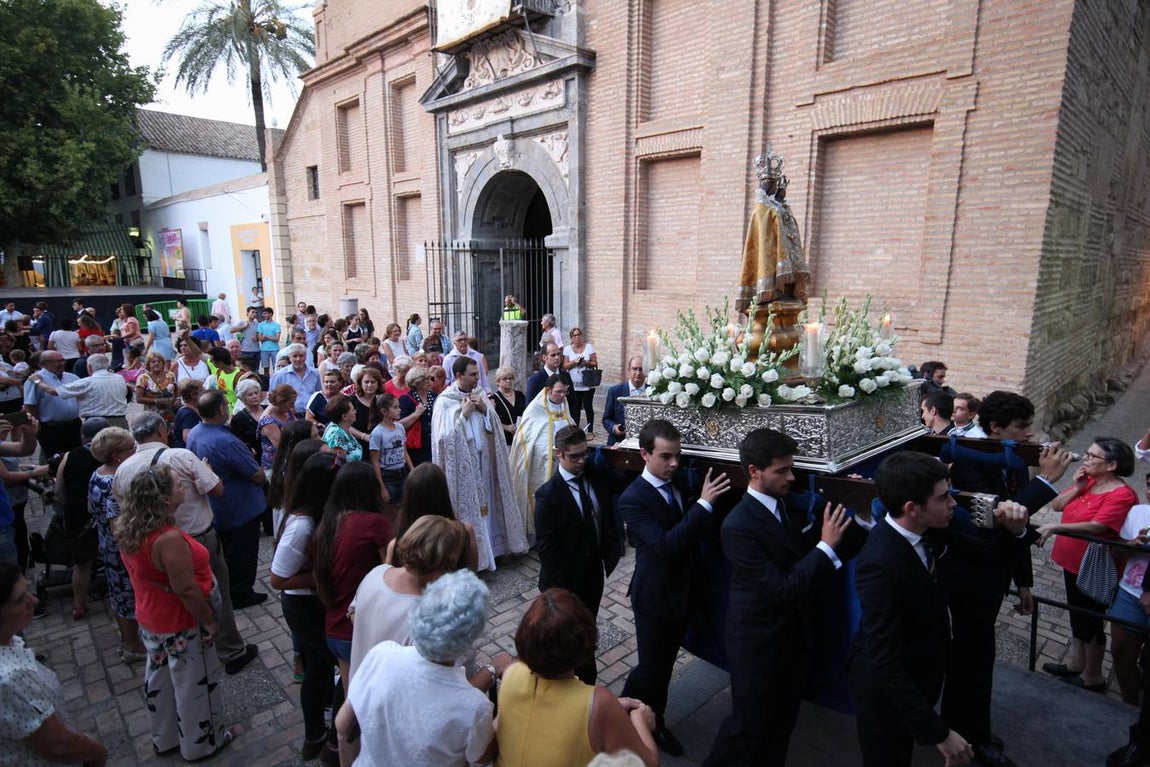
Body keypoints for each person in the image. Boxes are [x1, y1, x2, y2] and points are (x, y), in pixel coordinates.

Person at [849, 451, 1029, 767]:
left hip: (921, 677)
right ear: (911, 508)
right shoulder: (879, 563)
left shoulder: (931, 531)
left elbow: (985, 552)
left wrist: (1016, 530)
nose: (953, 504)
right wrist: (939, 733)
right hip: (884, 694)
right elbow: (884, 658)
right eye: (944, 497)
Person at [703, 428, 869, 767]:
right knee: (747, 728)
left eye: (791, 468)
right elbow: (783, 588)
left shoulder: (782, 505)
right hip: (757, 644)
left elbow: (821, 555)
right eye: (782, 470)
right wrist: (824, 545)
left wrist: (861, 514)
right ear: (754, 471)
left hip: (791, 640)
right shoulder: (738, 525)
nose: (792, 477)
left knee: (781, 725)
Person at [940, 390, 1071, 766]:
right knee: (971, 656)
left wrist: (1025, 583)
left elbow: (1018, 527)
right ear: (996, 428)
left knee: (977, 655)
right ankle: (968, 734)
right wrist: (1045, 483)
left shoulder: (1009, 455)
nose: (1030, 433)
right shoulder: (968, 458)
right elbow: (990, 527)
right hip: (969, 576)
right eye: (1022, 426)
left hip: (995, 574)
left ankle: (969, 725)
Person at [114, 412, 259, 676]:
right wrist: (210, 472)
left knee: (172, 594)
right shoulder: (179, 456)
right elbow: (217, 489)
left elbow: (121, 503)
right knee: (215, 594)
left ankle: (192, 640)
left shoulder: (123, 468)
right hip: (196, 538)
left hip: (149, 542)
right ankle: (231, 650)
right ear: (161, 430)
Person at [618, 419, 731, 756]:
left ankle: (645, 716)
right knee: (651, 668)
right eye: (666, 457)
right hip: (654, 600)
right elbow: (666, 544)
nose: (674, 464)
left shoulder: (678, 480)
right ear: (644, 454)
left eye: (677, 456)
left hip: (682, 594)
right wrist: (704, 504)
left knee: (662, 666)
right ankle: (638, 719)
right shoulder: (633, 499)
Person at [115, 464, 234, 760]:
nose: (184, 488)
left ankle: (165, 737)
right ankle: (202, 743)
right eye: (178, 486)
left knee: (160, 680)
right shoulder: (166, 539)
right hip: (180, 621)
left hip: (152, 617)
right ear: (164, 499)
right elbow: (187, 589)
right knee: (194, 682)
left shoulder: (130, 527)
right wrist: (208, 620)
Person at [337, 569, 496, 767]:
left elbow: (343, 727)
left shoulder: (381, 655)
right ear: (470, 636)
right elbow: (480, 758)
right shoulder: (474, 706)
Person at [496, 588, 659, 767]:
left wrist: (606, 709)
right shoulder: (600, 702)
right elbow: (649, 763)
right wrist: (640, 721)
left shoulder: (511, 672)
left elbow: (549, 714)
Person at [1036, 437, 1137, 692]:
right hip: (1071, 561)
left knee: (1090, 620)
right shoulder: (1089, 482)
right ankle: (1075, 664)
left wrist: (1054, 527)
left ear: (1112, 465)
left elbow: (1098, 526)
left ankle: (1093, 677)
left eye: (1093, 456)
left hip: (1092, 566)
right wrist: (1077, 486)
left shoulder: (1122, 494)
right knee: (1076, 614)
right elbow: (1057, 505)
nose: (1086, 459)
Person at [533, 425, 621, 684]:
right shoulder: (548, 496)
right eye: (575, 456)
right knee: (573, 640)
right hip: (564, 583)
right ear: (558, 454)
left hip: (592, 573)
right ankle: (581, 684)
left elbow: (619, 482)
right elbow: (547, 551)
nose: (582, 460)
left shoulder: (593, 474)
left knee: (587, 630)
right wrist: (565, 595)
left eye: (585, 453)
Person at [270, 451, 342, 761]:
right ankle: (333, 738)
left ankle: (315, 734)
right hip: (304, 608)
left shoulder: (317, 515)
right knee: (341, 666)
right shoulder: (301, 525)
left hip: (313, 604)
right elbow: (278, 578)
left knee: (319, 667)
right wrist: (322, 575)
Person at [0, 561, 109, 765]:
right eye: (19, 600)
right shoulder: (8, 678)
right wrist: (96, 753)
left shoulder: (10, 643)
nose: (33, 601)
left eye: (28, 592)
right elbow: (58, 745)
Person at [346, 514, 471, 681]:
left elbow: (353, 614)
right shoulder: (429, 619)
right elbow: (446, 687)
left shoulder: (376, 573)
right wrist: (491, 670)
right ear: (445, 563)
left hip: (360, 691)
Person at [432, 357, 528, 572]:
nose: (479, 378)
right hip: (464, 468)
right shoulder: (445, 401)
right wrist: (463, 416)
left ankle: (496, 550)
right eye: (473, 374)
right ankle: (476, 558)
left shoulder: (481, 394)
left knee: (491, 507)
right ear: (459, 376)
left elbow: (494, 425)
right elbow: (442, 439)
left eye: (478, 373)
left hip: (485, 462)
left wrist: (486, 411)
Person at [313, 461, 393, 694]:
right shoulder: (373, 524)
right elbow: (390, 573)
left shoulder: (327, 525)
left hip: (334, 627)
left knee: (353, 698)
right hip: (361, 629)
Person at [187, 391, 269, 608]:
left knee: (228, 553)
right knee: (242, 554)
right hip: (239, 507)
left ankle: (231, 588)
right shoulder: (225, 440)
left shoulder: (196, 433)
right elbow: (256, 474)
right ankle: (241, 593)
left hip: (218, 507)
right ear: (222, 409)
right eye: (226, 404)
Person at [88, 427, 147, 662]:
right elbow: (118, 527)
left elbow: (90, 509)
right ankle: (132, 644)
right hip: (121, 549)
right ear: (116, 455)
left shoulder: (98, 474)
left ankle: (128, 641)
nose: (134, 450)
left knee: (119, 594)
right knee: (127, 596)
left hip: (106, 544)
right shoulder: (114, 483)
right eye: (130, 448)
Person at [52, 417, 106, 620]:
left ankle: (79, 604)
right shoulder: (112, 455)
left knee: (82, 564)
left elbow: (58, 491)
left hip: (79, 516)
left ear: (83, 436)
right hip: (106, 513)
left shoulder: (70, 456)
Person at [510, 373, 575, 539]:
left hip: (564, 462)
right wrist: (549, 451)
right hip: (543, 463)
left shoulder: (563, 404)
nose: (562, 396)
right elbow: (528, 438)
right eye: (558, 392)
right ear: (548, 390)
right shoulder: (535, 409)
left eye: (565, 392)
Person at [1108, 474, 1150, 706]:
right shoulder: (1138, 512)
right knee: (1121, 652)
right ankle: (1128, 704)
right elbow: (1116, 552)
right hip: (1130, 593)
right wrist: (1130, 544)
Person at [30, 353, 130, 430]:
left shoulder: (87, 382)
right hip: (121, 420)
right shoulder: (119, 378)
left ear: (89, 367)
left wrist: (38, 381)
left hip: (97, 424)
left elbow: (53, 391)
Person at [0, 418, 44, 566]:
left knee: (20, 552)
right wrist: (36, 472)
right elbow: (5, 477)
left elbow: (22, 449)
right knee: (10, 575)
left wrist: (30, 434)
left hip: (7, 515)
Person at [23, 350, 82, 461]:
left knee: (76, 459)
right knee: (54, 461)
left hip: (74, 425)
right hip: (51, 428)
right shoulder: (35, 380)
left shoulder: (72, 377)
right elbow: (30, 406)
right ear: (43, 364)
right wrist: (37, 428)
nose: (61, 364)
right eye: (56, 361)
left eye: (62, 360)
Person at [369, 392, 412, 506]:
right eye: (395, 407)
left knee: (404, 506)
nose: (399, 410)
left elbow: (404, 452)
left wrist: (412, 470)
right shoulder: (378, 433)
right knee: (391, 508)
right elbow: (375, 461)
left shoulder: (400, 427)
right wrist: (382, 487)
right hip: (388, 476)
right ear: (384, 411)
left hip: (402, 472)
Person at [562, 327, 599, 435]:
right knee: (575, 407)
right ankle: (575, 429)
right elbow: (565, 366)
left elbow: (595, 363)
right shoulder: (567, 349)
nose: (577, 337)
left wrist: (586, 363)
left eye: (579, 335)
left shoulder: (589, 347)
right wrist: (574, 362)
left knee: (588, 406)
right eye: (575, 335)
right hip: (574, 383)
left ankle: (590, 430)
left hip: (588, 383)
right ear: (571, 338)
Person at [270, 343, 321, 418]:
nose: (298, 359)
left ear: (305, 357)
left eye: (301, 356)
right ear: (290, 358)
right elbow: (272, 397)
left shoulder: (315, 374)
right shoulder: (280, 375)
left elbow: (319, 393)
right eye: (295, 356)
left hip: (312, 416)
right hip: (288, 416)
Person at [604, 357, 646, 446]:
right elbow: (606, 419)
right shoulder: (614, 391)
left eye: (641, 369)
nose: (638, 373)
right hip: (620, 442)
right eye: (634, 369)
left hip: (646, 444)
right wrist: (615, 428)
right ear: (629, 370)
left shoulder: (653, 391)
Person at [398, 365, 435, 465]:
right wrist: (416, 414)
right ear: (417, 382)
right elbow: (399, 425)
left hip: (433, 444)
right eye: (426, 379)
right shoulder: (405, 399)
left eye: (430, 378)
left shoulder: (434, 395)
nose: (430, 381)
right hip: (416, 447)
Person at [259, 384, 298, 471]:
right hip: (275, 466)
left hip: (290, 460)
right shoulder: (268, 421)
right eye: (290, 403)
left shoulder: (287, 411)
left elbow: (298, 427)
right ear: (281, 401)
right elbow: (281, 445)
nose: (292, 406)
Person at [135, 352, 178, 425]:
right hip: (151, 416)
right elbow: (139, 399)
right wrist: (157, 401)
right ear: (148, 364)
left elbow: (176, 391)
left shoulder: (170, 375)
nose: (156, 363)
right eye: (153, 362)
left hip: (170, 414)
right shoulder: (143, 378)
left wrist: (176, 400)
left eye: (159, 361)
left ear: (163, 363)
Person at [490, 365, 526, 446]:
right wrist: (506, 427)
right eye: (505, 379)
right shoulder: (493, 399)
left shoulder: (520, 395)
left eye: (511, 378)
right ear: (497, 381)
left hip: (522, 439)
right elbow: (492, 421)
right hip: (505, 441)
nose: (508, 381)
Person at [230, 378, 265, 459]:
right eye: (250, 394)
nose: (255, 396)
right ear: (243, 399)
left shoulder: (268, 410)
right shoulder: (238, 419)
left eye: (256, 393)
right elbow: (238, 442)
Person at [322, 394, 362, 461]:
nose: (355, 411)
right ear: (344, 416)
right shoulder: (336, 435)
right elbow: (338, 462)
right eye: (353, 410)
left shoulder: (344, 429)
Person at [170, 378, 203, 449]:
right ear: (193, 395)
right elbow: (188, 438)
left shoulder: (185, 409)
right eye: (202, 391)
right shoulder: (189, 414)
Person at [257, 307, 282, 377]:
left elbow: (277, 338)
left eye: (265, 313)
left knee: (276, 367)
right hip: (264, 349)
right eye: (263, 313)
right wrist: (271, 337)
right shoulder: (260, 325)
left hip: (275, 349)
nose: (264, 315)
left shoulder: (276, 325)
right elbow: (260, 338)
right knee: (266, 368)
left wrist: (266, 337)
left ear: (270, 314)